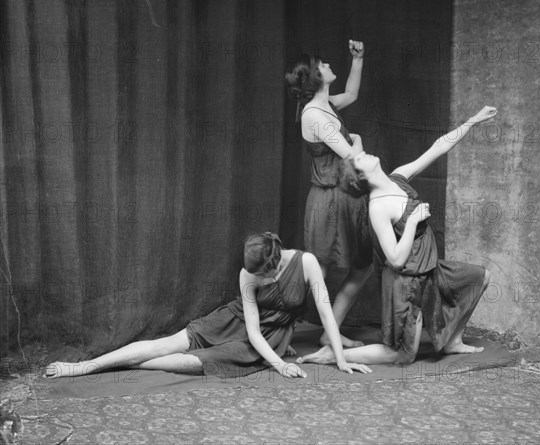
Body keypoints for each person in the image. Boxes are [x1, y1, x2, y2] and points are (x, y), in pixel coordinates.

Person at [297, 106, 497, 366]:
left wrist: (471, 122)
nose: (364, 154)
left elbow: (437, 148)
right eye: (359, 159)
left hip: (428, 268)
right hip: (405, 284)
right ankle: (333, 354)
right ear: (362, 176)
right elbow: (395, 258)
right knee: (402, 355)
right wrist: (412, 222)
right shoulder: (378, 207)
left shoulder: (397, 178)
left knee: (480, 278)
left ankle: (453, 341)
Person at [44, 233, 372, 379]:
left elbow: (326, 311)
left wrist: (340, 360)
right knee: (163, 345)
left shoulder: (307, 262)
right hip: (235, 323)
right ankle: (86, 367)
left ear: (274, 263)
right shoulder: (248, 274)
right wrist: (280, 366)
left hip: (262, 341)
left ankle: (125, 365)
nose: (258, 279)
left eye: (263, 275)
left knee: (186, 364)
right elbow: (253, 328)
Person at [285, 40, 373, 348]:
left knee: (362, 266)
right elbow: (353, 157)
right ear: (315, 77)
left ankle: (329, 331)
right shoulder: (314, 115)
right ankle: (277, 330)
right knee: (317, 271)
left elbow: (351, 94)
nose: (328, 65)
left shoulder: (326, 104)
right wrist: (359, 139)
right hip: (327, 201)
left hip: (346, 197)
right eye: (323, 65)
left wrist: (358, 60)